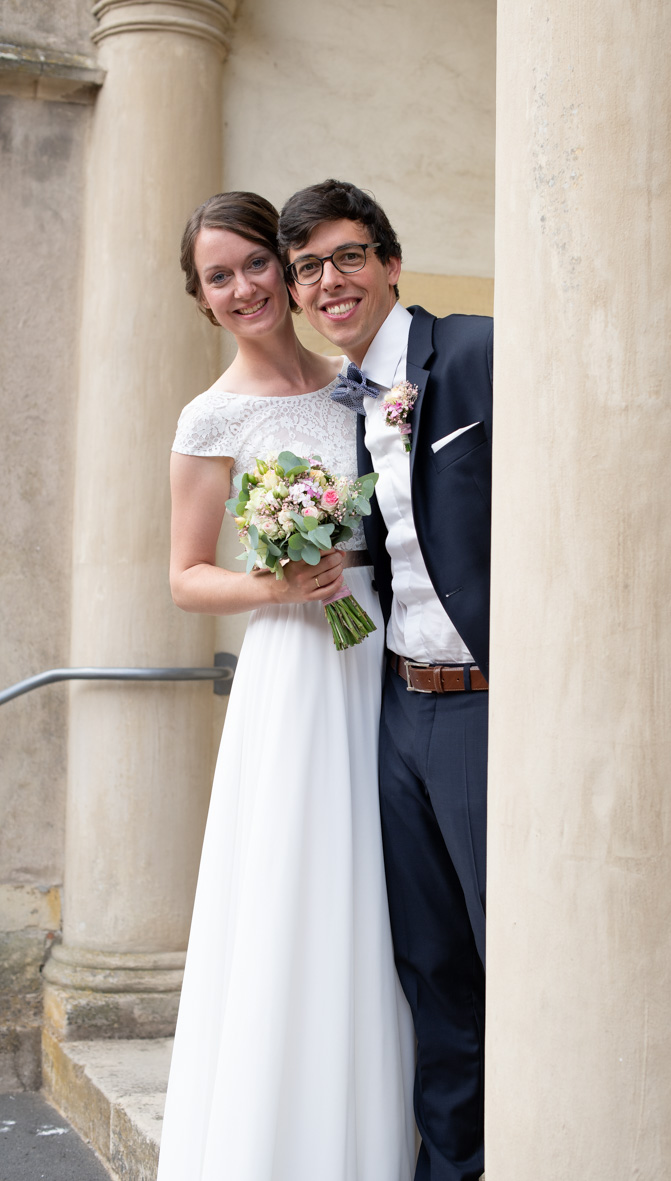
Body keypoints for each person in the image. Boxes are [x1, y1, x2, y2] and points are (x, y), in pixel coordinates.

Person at [157, 191, 415, 1181]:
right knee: (299, 882)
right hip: (296, 667)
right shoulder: (211, 415)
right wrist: (274, 580)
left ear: (286, 267)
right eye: (217, 277)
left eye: (254, 265)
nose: (243, 288)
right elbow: (185, 576)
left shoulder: (361, 384)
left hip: (381, 648)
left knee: (390, 890)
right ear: (204, 301)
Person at [279, 180, 492, 1181]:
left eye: (349, 256)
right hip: (395, 709)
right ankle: (451, 1169)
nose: (332, 280)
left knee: (509, 954)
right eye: (310, 267)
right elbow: (375, 582)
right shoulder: (330, 413)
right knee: (432, 965)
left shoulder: (481, 355)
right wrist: (321, 591)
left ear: (391, 262)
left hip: (490, 702)